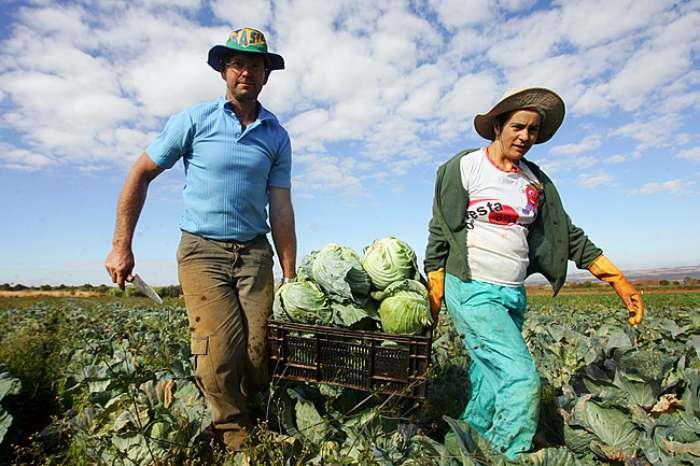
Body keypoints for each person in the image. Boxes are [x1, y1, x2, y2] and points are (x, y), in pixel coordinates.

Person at [424, 87, 644, 461]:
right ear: (498, 125)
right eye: (518, 126)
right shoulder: (465, 167)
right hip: (472, 289)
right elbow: (440, 227)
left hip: (512, 293)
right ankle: (509, 454)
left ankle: (469, 444)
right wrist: (436, 279)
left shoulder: (533, 181)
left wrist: (616, 279)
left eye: (533, 130)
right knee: (521, 379)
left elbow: (566, 234)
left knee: (489, 378)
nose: (525, 136)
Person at [104, 27, 297, 451]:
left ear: (267, 75)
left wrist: (290, 272)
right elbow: (140, 173)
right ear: (224, 72)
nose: (246, 71)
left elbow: (281, 207)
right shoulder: (195, 120)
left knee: (259, 349)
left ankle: (255, 407)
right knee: (218, 351)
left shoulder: (276, 135)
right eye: (237, 63)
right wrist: (122, 244)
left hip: (254, 252)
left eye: (256, 65)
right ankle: (232, 434)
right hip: (202, 251)